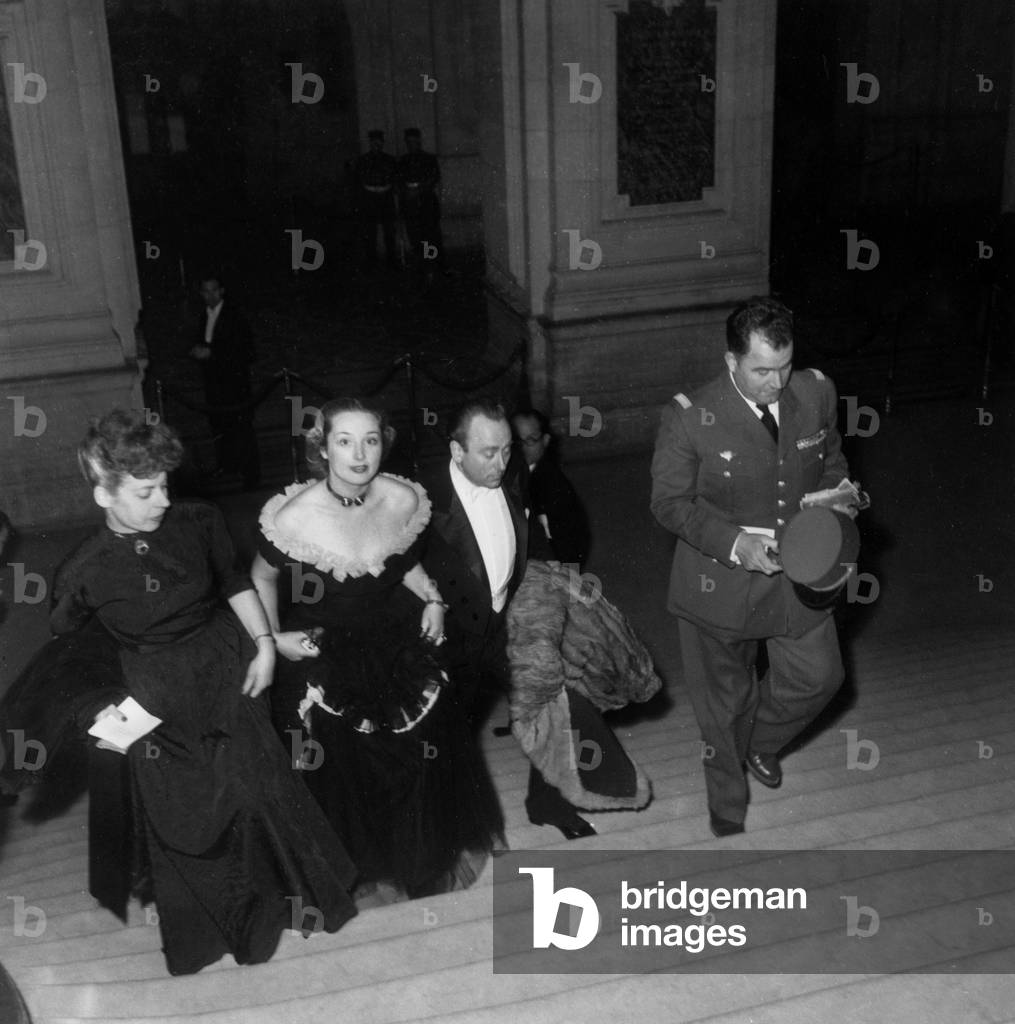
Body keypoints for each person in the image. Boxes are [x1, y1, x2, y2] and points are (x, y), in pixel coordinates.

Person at [0, 410, 357, 974]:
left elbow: (233, 582)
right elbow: (73, 647)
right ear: (104, 494)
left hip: (227, 671)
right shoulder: (81, 572)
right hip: (157, 699)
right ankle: (213, 933)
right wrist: (104, 708)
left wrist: (265, 644)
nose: (163, 500)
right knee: (185, 819)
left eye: (165, 485)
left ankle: (284, 906)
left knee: (257, 791)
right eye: (145, 492)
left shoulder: (198, 520)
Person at [250, 398, 503, 898]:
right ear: (323, 448)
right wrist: (272, 638)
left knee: (421, 756)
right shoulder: (295, 517)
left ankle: (421, 859)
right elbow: (261, 577)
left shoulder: (401, 497)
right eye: (344, 442)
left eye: (370, 440)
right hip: (330, 646)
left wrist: (432, 599)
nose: (360, 454)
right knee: (350, 768)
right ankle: (365, 870)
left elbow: (401, 560)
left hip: (396, 636)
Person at [650, 295, 853, 837]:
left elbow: (831, 458)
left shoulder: (816, 391)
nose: (776, 382)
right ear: (731, 360)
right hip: (718, 580)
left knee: (821, 676)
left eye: (784, 367)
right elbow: (669, 504)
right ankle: (727, 809)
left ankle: (759, 742)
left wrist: (837, 497)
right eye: (762, 370)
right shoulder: (690, 417)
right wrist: (735, 543)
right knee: (724, 703)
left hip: (797, 574)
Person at [418, 398, 596, 840]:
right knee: (447, 737)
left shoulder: (514, 472)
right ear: (457, 450)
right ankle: (453, 829)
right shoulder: (421, 500)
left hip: (506, 622)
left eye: (507, 450)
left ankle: (549, 803)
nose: (501, 464)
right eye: (488, 453)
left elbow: (532, 539)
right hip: (450, 636)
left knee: (554, 702)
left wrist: (558, 588)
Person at [187, 273, 260, 489]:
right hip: (214, 383)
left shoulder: (234, 316)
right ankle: (226, 466)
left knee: (242, 429)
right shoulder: (205, 315)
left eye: (214, 290)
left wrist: (211, 354)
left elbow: (246, 351)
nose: (210, 295)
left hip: (235, 384)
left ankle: (251, 476)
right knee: (219, 426)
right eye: (206, 291)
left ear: (221, 291)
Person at [512, 408, 591, 569]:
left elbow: (572, 540)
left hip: (554, 562)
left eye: (531, 440)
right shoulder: (515, 474)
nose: (523, 447)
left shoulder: (552, 485)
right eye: (518, 440)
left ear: (545, 441)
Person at [396, 128, 444, 275]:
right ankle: (421, 264)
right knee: (415, 237)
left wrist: (418, 190)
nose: (412, 144)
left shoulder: (429, 159)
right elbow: (398, 182)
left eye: (414, 141)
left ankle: (432, 265)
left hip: (427, 204)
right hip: (410, 206)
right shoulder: (402, 161)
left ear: (419, 141)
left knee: (430, 237)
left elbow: (434, 178)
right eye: (409, 142)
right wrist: (405, 193)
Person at [354, 130, 398, 268]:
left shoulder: (390, 160)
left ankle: (391, 260)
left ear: (382, 143)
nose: (376, 144)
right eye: (374, 141)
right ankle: (371, 261)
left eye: (379, 141)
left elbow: (395, 179)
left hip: (386, 200)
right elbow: (358, 180)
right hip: (369, 200)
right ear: (370, 143)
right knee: (369, 232)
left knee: (389, 232)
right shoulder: (362, 160)